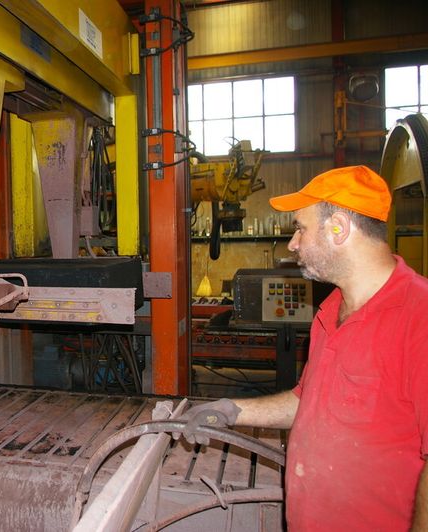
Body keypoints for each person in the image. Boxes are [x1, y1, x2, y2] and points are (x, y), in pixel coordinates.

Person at [180, 166, 428, 531]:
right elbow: (308, 402)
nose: (293, 244)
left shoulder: (418, 317)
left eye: (300, 228)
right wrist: (233, 410)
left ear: (339, 228)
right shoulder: (330, 309)